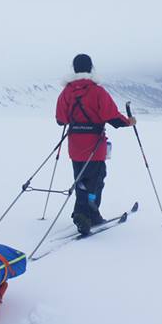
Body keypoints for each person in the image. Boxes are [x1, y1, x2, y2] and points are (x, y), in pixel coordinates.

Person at [55, 53, 135, 235]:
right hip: (95, 146)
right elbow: (112, 117)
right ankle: (88, 215)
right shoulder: (98, 92)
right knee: (95, 182)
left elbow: (61, 120)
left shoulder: (66, 92)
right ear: (91, 68)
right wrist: (129, 122)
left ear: (74, 69)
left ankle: (83, 212)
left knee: (81, 180)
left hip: (75, 147)